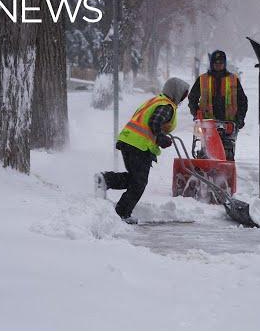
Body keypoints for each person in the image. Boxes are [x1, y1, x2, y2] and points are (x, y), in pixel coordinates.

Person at [94, 77, 190, 224]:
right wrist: (160, 139)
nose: (182, 99)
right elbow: (154, 122)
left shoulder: (157, 100)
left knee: (134, 179)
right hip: (139, 146)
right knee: (139, 183)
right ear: (176, 92)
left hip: (129, 141)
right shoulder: (166, 106)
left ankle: (106, 179)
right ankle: (122, 213)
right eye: (182, 95)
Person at [187, 50, 248, 160]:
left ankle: (226, 171)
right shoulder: (202, 79)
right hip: (207, 123)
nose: (218, 66)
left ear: (224, 64)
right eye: (216, 63)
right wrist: (196, 113)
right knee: (206, 150)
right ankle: (204, 171)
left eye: (221, 63)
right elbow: (192, 98)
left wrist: (240, 119)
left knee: (227, 151)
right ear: (211, 64)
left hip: (228, 123)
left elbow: (243, 101)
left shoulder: (233, 80)